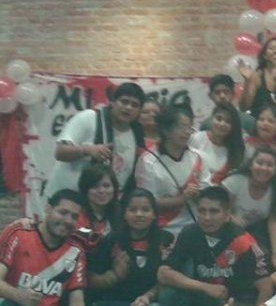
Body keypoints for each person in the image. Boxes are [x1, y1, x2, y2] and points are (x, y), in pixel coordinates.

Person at [157, 186, 271, 306]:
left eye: (214, 211)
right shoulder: (189, 233)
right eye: (202, 211)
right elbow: (163, 273)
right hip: (205, 295)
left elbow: (266, 286)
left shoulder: (242, 241)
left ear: (226, 215)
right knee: (168, 294)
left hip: (237, 302)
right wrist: (204, 287)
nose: (207, 217)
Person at [86, 189, 171, 306]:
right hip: (112, 304)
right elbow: (91, 279)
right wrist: (112, 277)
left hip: (147, 303)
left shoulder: (165, 240)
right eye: (133, 209)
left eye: (145, 209)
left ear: (154, 214)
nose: (139, 214)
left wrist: (147, 297)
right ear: (124, 214)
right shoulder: (109, 241)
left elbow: (168, 278)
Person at [45, 82, 146, 201]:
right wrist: (87, 150)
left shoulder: (135, 134)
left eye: (135, 105)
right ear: (112, 102)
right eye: (124, 102)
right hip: (67, 199)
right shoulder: (89, 118)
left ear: (139, 110)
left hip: (103, 203)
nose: (128, 107)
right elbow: (60, 152)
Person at [134, 104, 211, 236]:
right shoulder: (148, 161)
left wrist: (198, 193)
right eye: (181, 127)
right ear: (166, 130)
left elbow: (208, 191)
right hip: (162, 230)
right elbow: (148, 202)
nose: (186, 132)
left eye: (189, 127)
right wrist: (182, 198)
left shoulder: (198, 157)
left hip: (194, 227)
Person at [221, 146, 276, 265]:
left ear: (275, 170)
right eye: (259, 163)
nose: (264, 168)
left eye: (270, 165)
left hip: (255, 234)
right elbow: (219, 209)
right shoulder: (235, 181)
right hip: (226, 230)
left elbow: (274, 221)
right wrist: (230, 218)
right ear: (251, 165)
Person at [189, 102, 245, 184]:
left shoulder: (234, 151)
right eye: (219, 119)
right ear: (211, 119)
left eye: (228, 121)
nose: (222, 124)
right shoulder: (196, 138)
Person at [240, 37, 276, 116]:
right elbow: (244, 107)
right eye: (271, 48)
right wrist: (248, 81)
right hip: (258, 120)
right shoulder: (257, 76)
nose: (275, 51)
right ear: (264, 55)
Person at [75, 163, 119, 254]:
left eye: (106, 186)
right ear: (85, 189)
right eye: (95, 186)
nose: (101, 191)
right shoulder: (76, 216)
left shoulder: (121, 214)